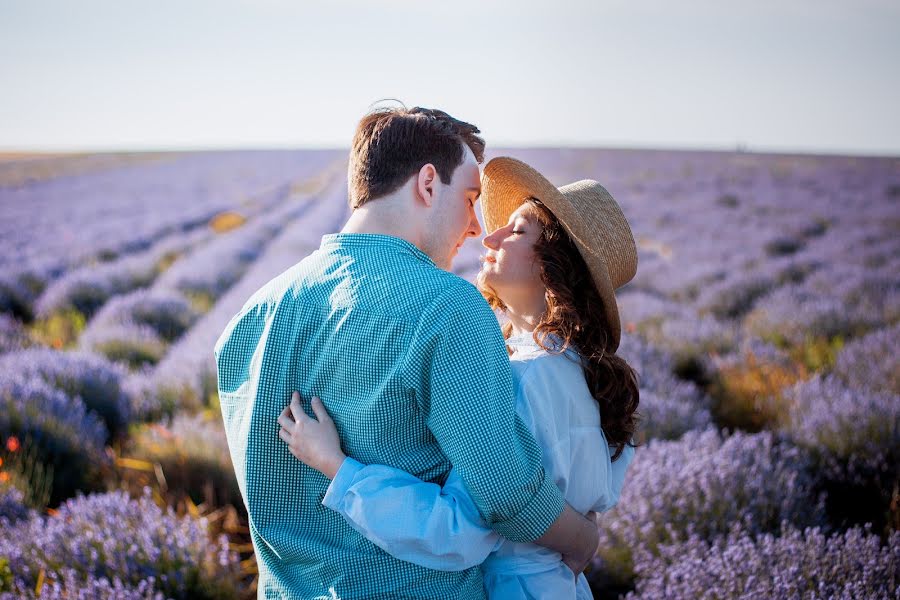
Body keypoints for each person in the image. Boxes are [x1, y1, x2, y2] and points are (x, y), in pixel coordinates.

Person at [214, 108, 601, 599]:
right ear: (427, 184)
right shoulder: (446, 306)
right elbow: (506, 494)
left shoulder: (249, 319)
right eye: (470, 199)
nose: (477, 228)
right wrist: (582, 538)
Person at [278, 156, 641, 599]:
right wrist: (581, 535)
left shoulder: (522, 377)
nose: (490, 236)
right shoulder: (584, 377)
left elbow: (458, 534)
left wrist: (339, 469)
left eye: (518, 231)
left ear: (554, 266)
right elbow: (581, 514)